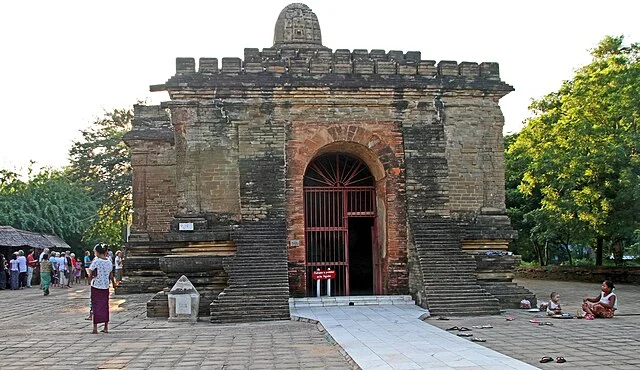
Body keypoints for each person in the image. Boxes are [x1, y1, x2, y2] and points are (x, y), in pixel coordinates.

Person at [88, 243, 116, 334]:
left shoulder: (96, 261)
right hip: (105, 286)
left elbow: (90, 272)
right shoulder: (108, 261)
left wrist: (90, 280)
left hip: (96, 285)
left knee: (96, 306)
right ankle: (106, 326)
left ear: (97, 252)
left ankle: (95, 328)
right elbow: (111, 274)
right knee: (105, 305)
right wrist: (114, 283)